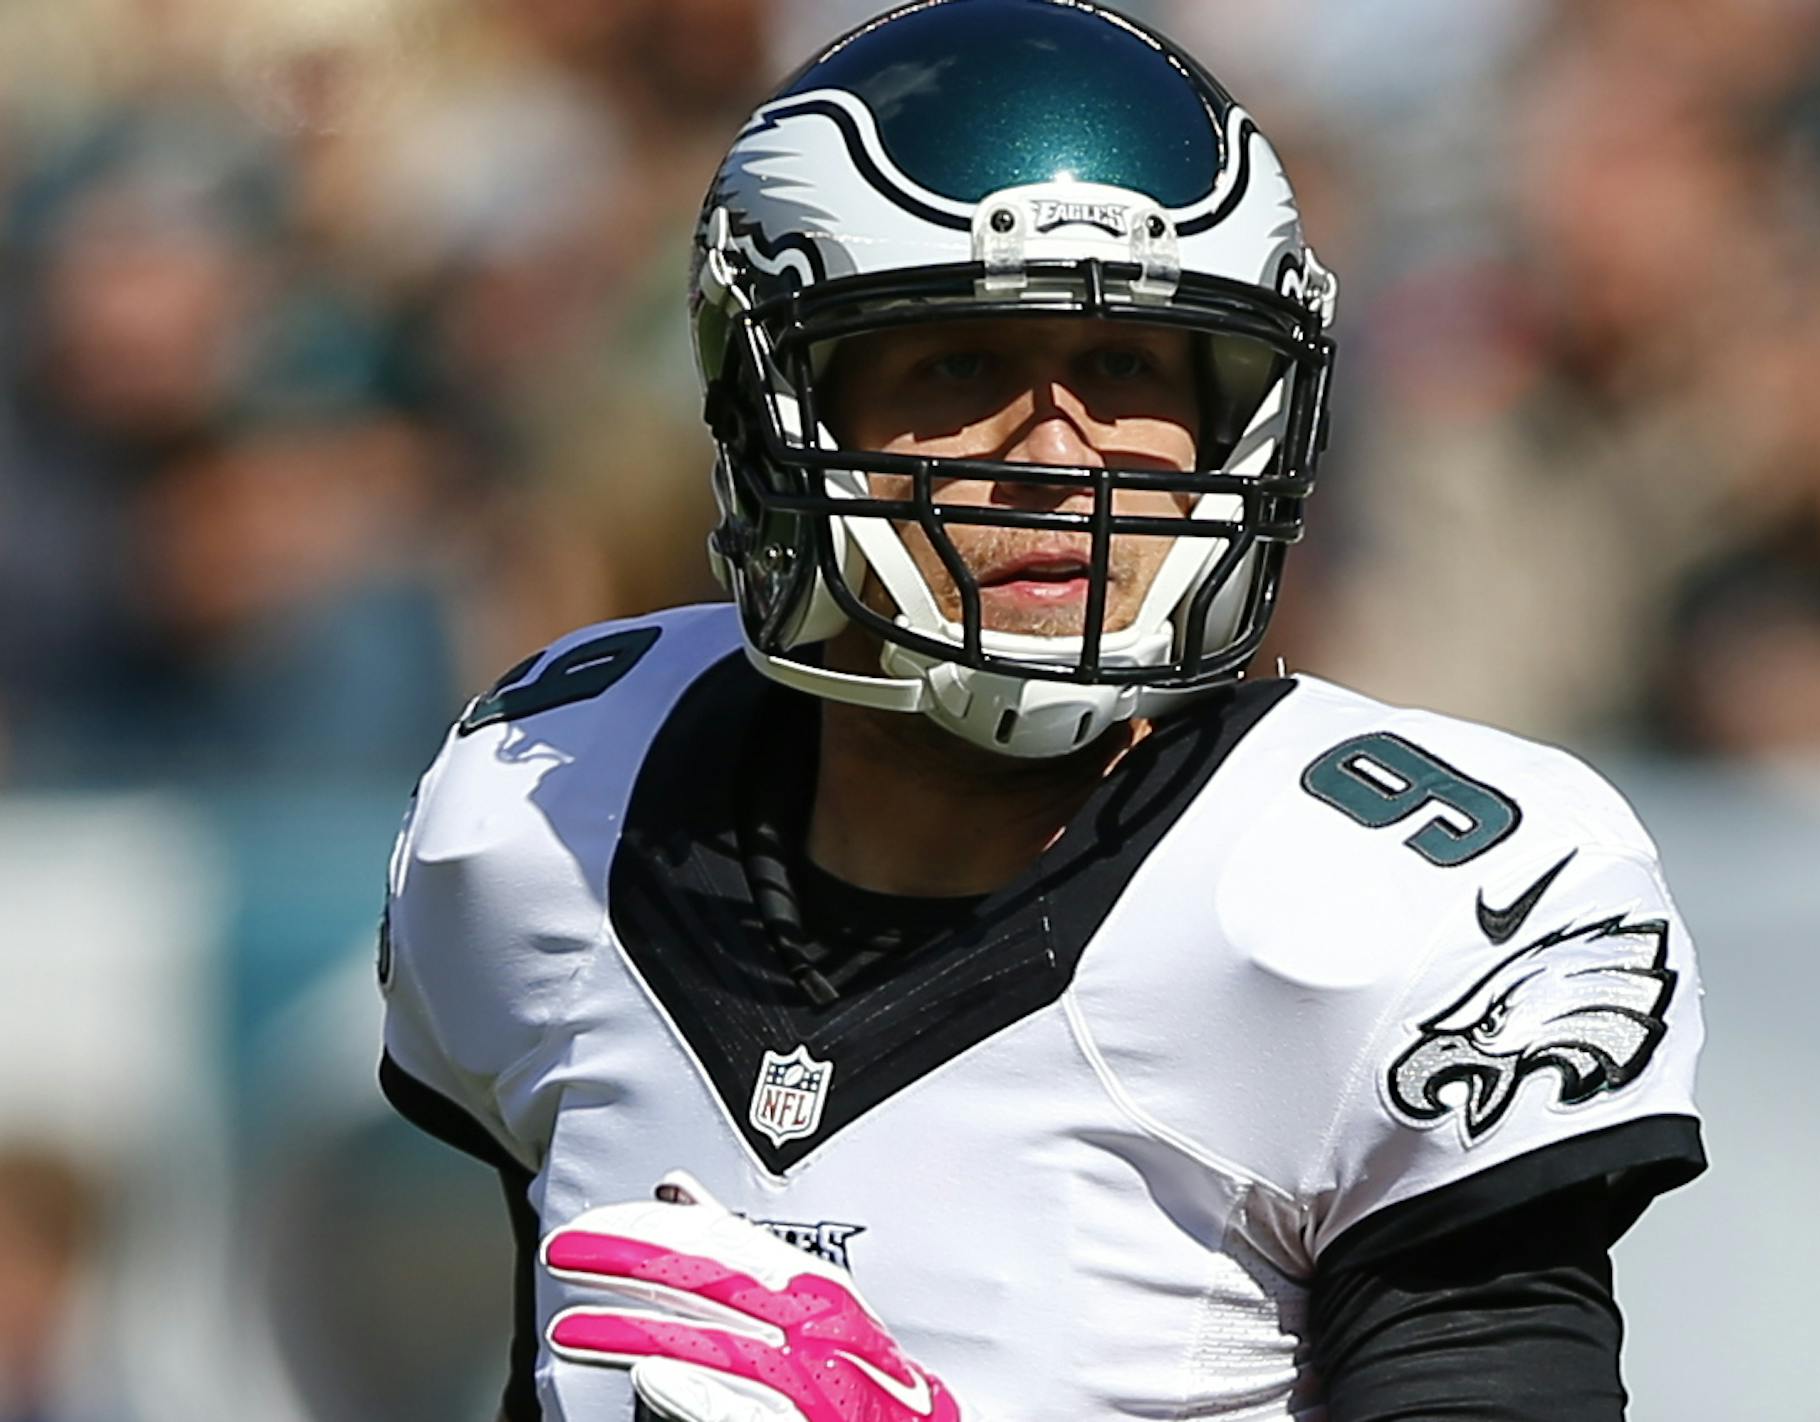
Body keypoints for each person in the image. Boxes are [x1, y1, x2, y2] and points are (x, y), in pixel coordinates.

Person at [378, 2, 1707, 1418]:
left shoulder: (1403, 908)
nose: (1059, 455)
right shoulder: (549, 816)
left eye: (1129, 366)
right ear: (775, 406)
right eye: (961, 362)